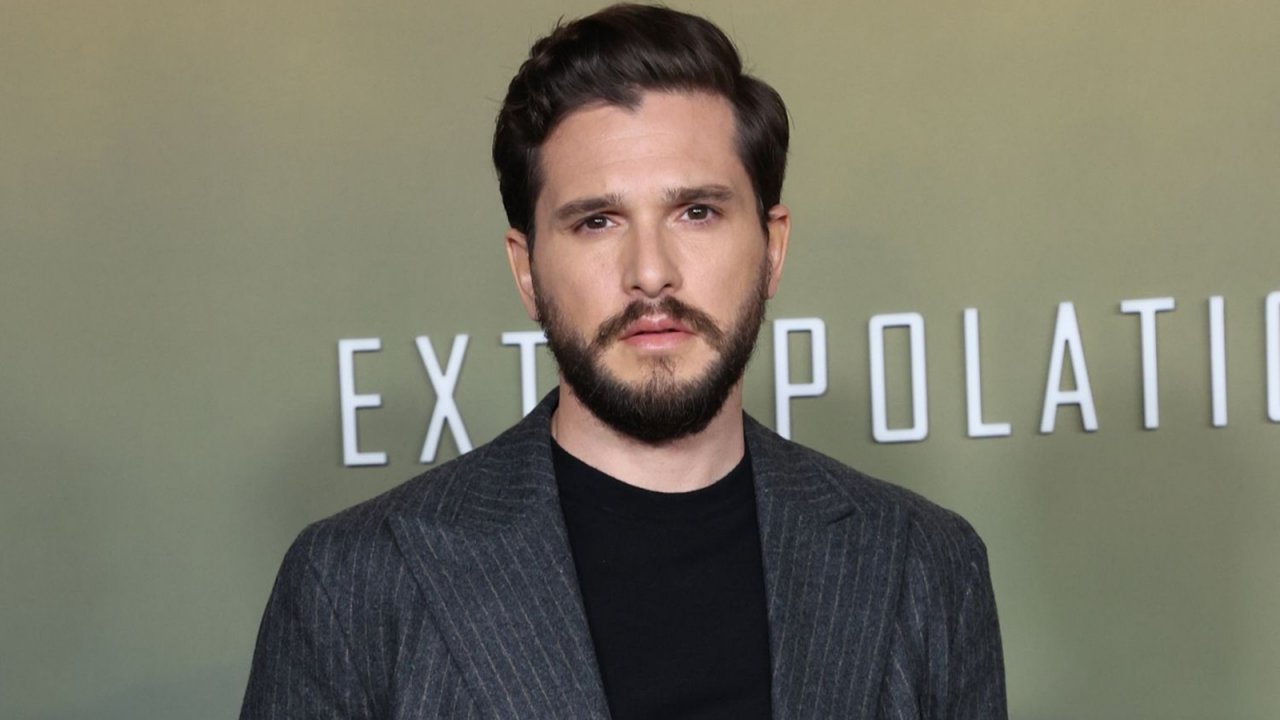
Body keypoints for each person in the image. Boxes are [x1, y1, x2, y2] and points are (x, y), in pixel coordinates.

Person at [241, 4, 1006, 718]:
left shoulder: (926, 563)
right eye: (597, 221)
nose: (650, 272)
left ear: (772, 248)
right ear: (527, 271)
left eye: (697, 212)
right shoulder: (353, 583)